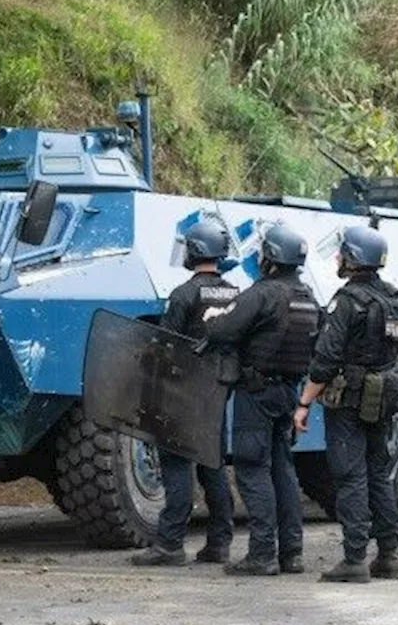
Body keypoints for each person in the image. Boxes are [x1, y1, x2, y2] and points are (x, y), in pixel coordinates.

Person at [202, 223, 321, 576]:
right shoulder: (307, 296)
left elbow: (223, 329)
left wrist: (212, 319)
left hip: (256, 393)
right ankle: (292, 553)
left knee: (253, 469)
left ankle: (262, 553)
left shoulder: (263, 293)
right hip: (289, 393)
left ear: (269, 257)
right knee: (283, 470)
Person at [295, 225, 398, 583]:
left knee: (350, 476)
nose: (339, 259)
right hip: (384, 395)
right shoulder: (394, 298)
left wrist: (304, 402)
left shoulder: (348, 301)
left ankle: (355, 558)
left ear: (354, 258)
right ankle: (388, 556)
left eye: (344, 253)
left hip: (349, 399)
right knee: (379, 474)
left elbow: (326, 359)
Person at [130, 218, 237, 567]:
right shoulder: (236, 293)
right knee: (213, 465)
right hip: (217, 392)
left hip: (183, 391)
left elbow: (167, 347)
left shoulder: (183, 295)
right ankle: (219, 543)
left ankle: (170, 544)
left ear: (193, 251)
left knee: (176, 466)